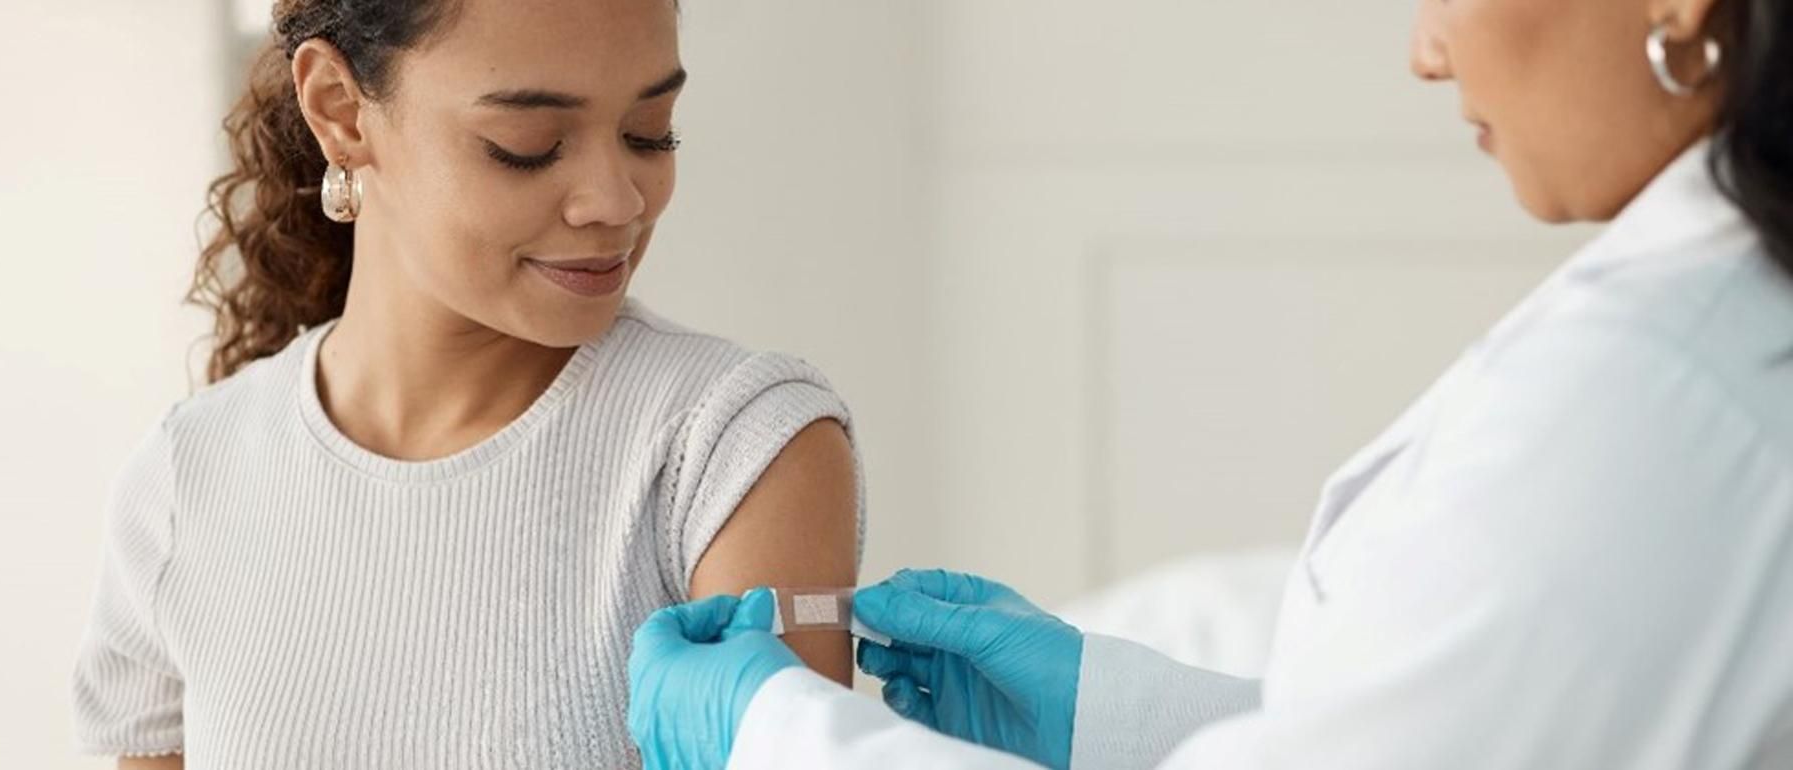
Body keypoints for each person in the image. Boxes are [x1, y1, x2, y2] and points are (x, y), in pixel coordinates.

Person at [626, 0, 1793, 766]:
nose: (1425, 50)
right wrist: (1111, 714)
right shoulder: (1701, 341)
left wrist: (778, 735)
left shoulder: (1661, 398)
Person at [71, 1, 863, 767]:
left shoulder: (732, 452)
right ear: (341, 110)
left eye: (649, 134)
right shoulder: (185, 482)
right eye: (529, 143)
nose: (616, 201)